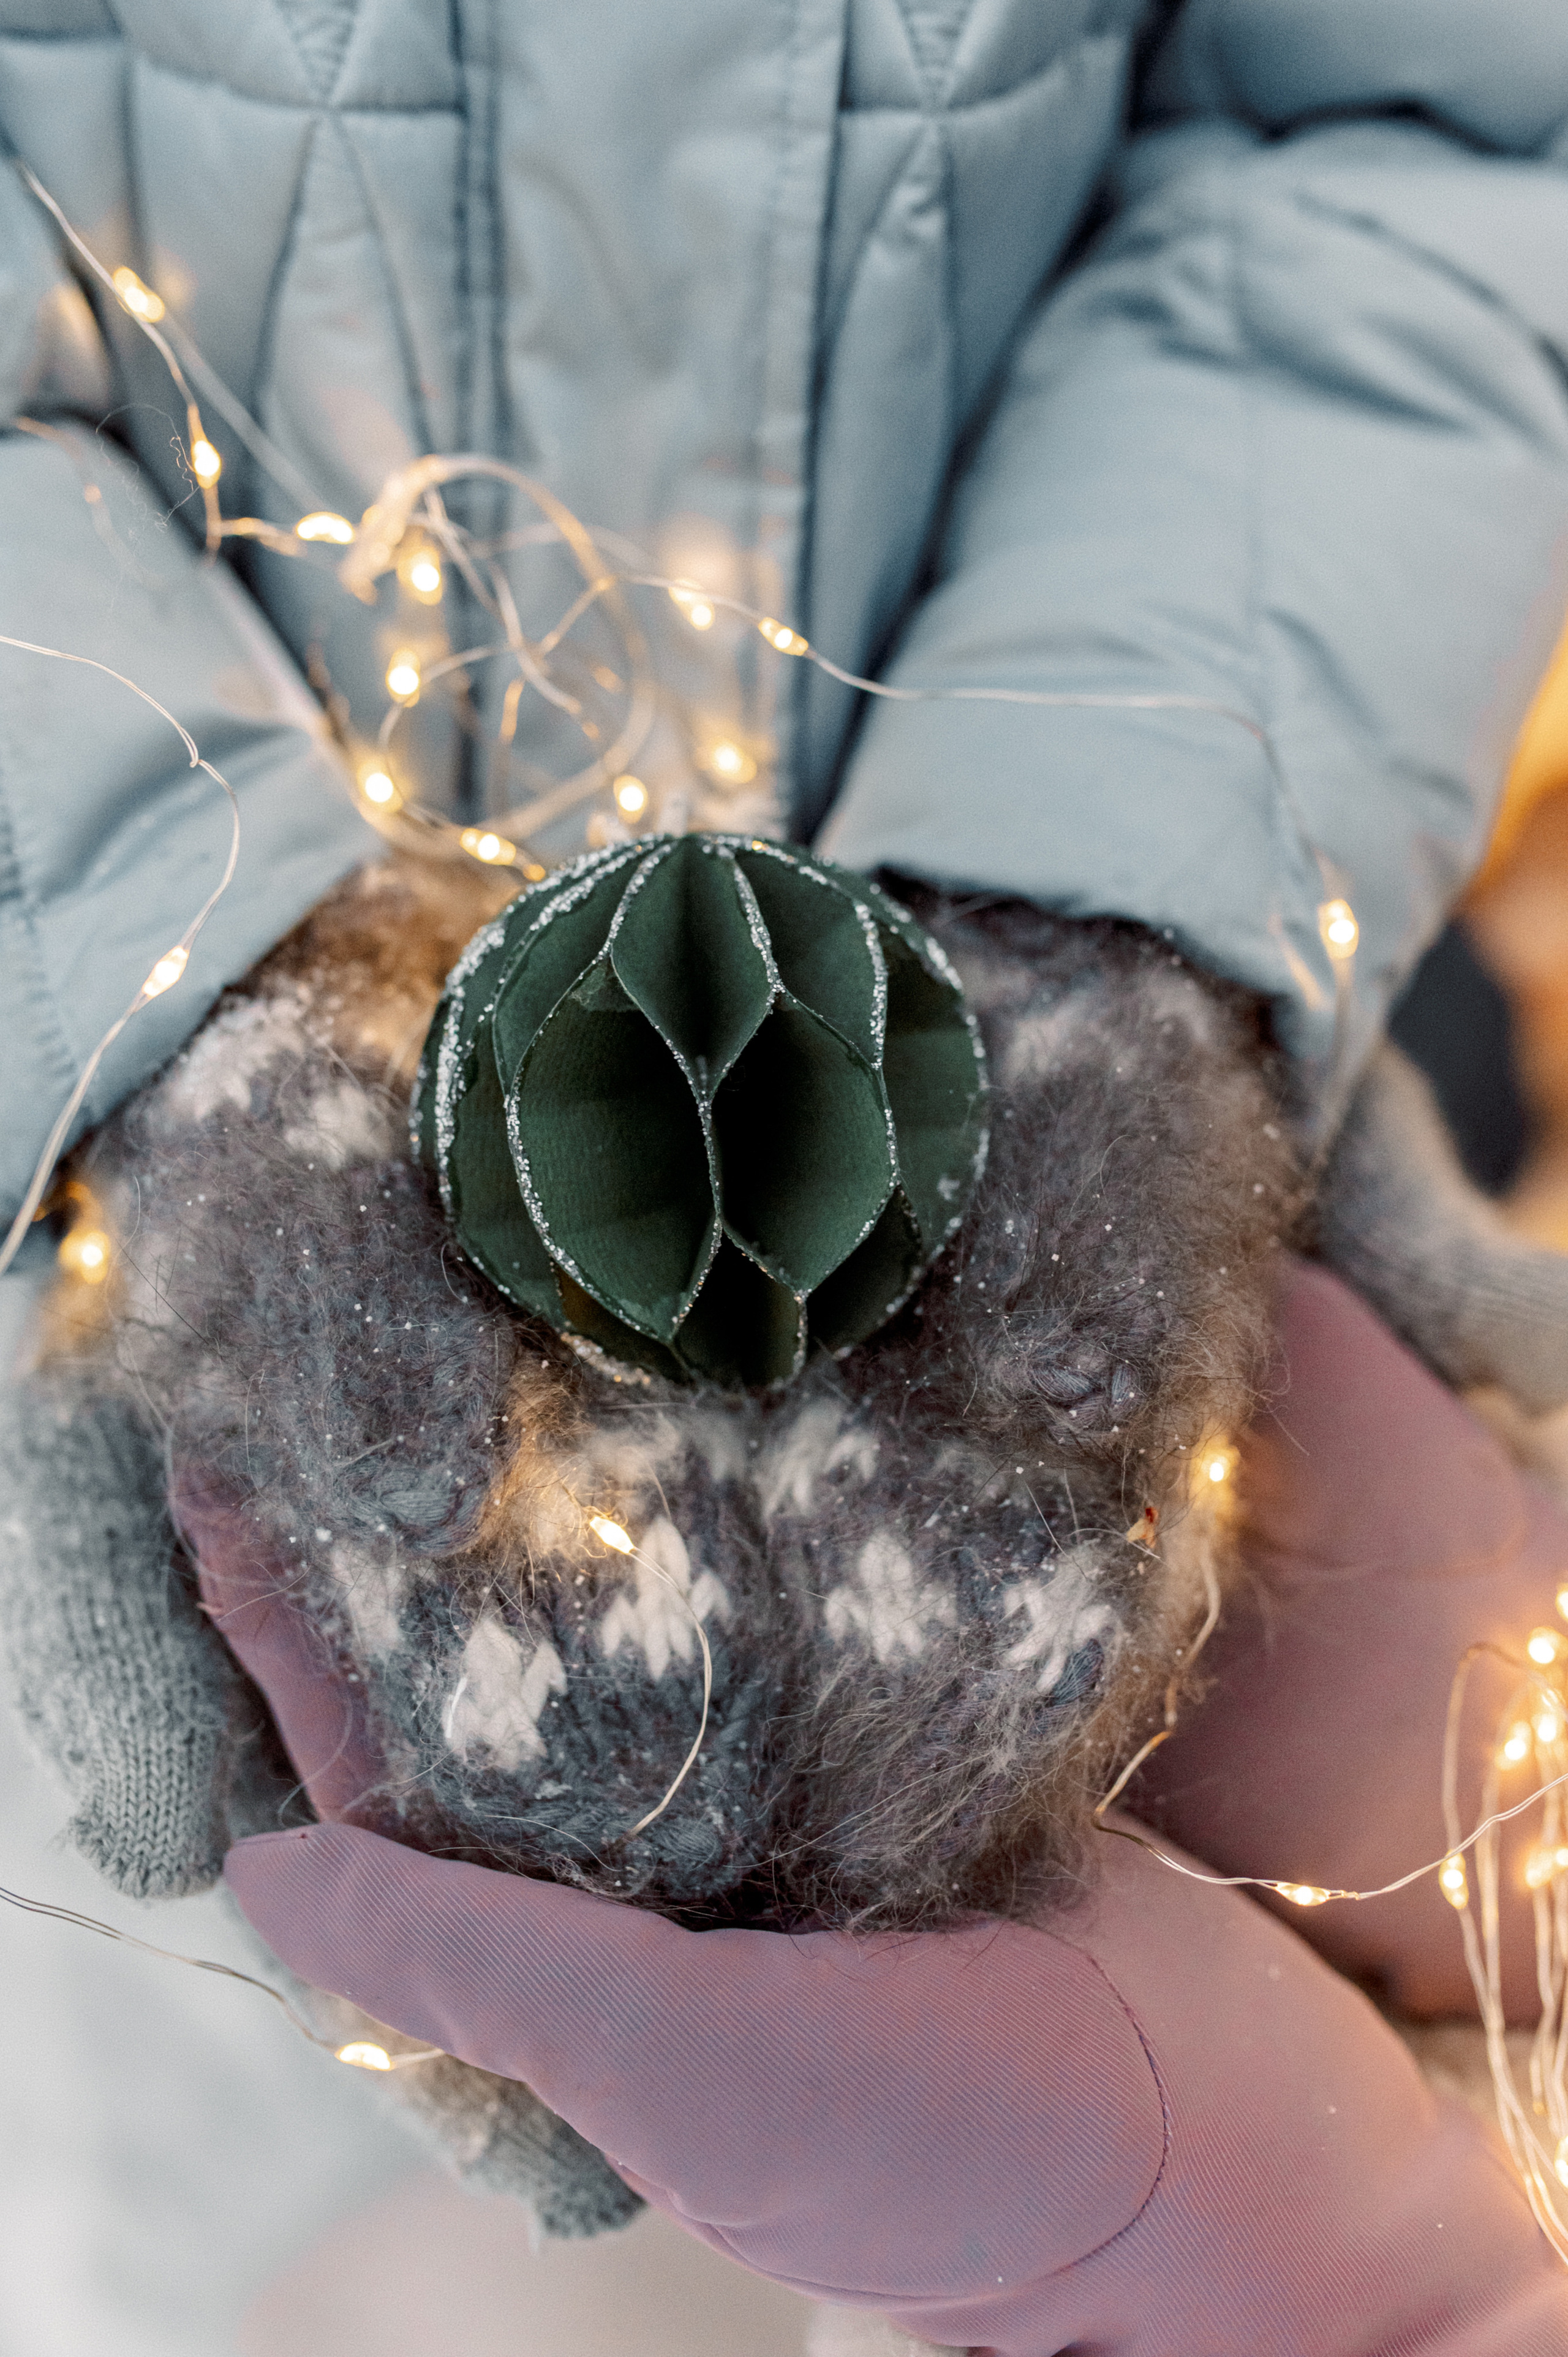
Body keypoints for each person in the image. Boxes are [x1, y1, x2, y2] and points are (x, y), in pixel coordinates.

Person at [6, 6, 1568, 2347]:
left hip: (1072, 1515)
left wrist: (1143, 900)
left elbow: (1426, 108)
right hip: (127, 1320)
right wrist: (136, 985)